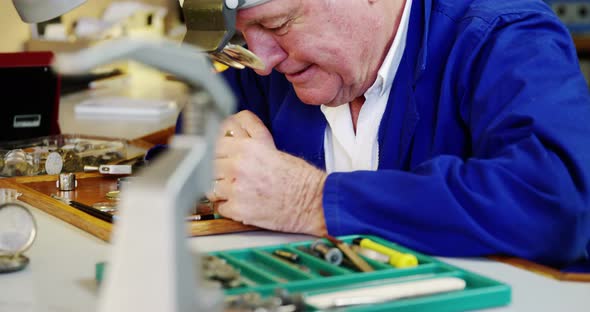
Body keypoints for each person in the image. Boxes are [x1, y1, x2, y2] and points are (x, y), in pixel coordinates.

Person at [207, 0, 590, 266]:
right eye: (245, 35)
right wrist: (215, 161)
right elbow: (187, 150)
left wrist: (312, 201)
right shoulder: (274, 70)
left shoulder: (502, 36)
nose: (263, 62)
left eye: (278, 24)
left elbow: (554, 202)